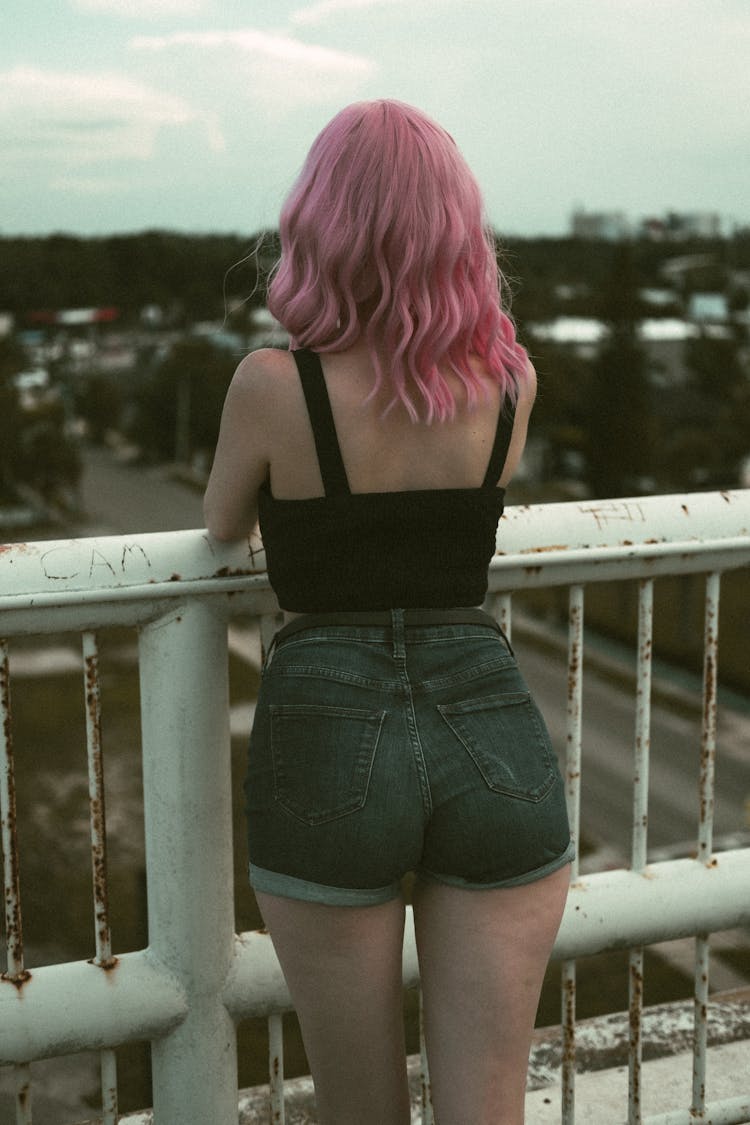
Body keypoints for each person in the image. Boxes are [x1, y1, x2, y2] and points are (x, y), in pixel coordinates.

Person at [204, 99, 573, 1125]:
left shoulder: (273, 386)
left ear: (319, 225)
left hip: (327, 729)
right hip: (489, 720)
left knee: (358, 1106)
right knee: (488, 1107)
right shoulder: (510, 381)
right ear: (460, 232)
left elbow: (222, 521)